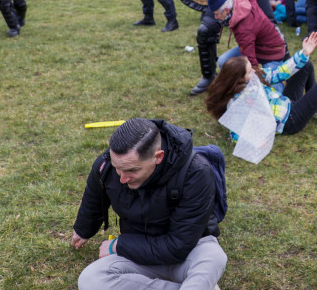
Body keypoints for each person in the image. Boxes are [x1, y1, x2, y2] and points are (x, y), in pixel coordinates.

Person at [71, 118, 226, 290]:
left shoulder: (196, 172)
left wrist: (118, 245)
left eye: (132, 170)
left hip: (189, 251)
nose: (122, 178)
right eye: (117, 168)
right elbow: (94, 197)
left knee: (213, 257)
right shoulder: (106, 165)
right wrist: (83, 229)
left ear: (158, 157)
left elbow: (179, 246)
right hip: (139, 254)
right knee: (90, 280)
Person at [206, 29, 317, 139]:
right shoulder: (239, 102)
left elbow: (279, 72)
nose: (253, 72)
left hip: (285, 104)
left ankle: (315, 106)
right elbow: (240, 131)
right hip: (290, 120)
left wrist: (304, 53)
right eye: (249, 71)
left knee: (305, 65)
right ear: (240, 79)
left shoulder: (254, 76)